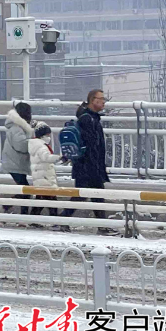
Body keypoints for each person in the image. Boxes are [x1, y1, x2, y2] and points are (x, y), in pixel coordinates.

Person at [62, 89, 114, 233]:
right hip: (87, 165)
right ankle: (62, 220)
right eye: (101, 98)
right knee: (85, 195)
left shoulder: (92, 117)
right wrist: (95, 167)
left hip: (89, 165)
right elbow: (90, 144)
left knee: (93, 195)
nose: (104, 101)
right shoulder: (87, 119)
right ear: (93, 100)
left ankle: (63, 221)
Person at [0, 102, 34, 215]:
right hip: (15, 163)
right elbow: (21, 145)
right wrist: (34, 143)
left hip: (15, 162)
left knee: (24, 189)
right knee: (25, 190)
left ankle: (5, 207)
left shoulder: (18, 127)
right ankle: (20, 215)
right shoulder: (17, 128)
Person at [27, 121, 62, 221]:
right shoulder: (41, 147)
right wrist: (59, 158)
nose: (49, 137)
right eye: (47, 134)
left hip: (40, 178)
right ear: (42, 135)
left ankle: (32, 220)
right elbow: (46, 157)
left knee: (40, 201)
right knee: (52, 202)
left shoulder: (35, 145)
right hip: (45, 178)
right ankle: (56, 222)